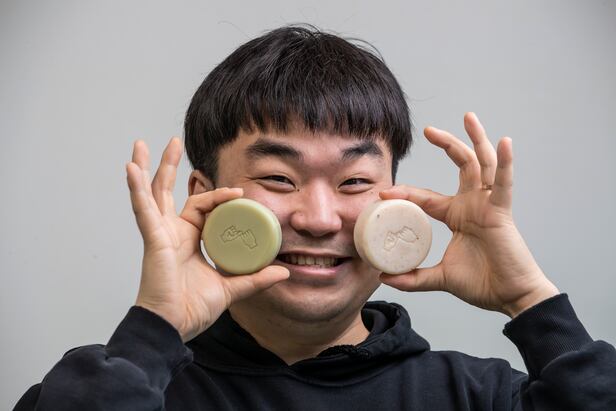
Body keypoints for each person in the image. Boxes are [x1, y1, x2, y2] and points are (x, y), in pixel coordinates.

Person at [14, 25, 616, 411]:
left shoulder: (482, 396)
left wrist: (531, 301)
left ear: (397, 202)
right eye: (279, 179)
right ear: (204, 199)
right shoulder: (122, 388)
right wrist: (155, 329)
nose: (321, 218)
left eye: (354, 182)